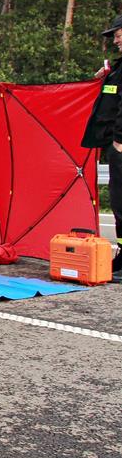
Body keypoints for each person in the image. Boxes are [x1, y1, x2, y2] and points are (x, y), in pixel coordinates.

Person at [86, 15, 122, 273]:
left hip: (120, 143)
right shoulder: (118, 69)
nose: (116, 40)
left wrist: (120, 139)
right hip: (113, 142)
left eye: (119, 34)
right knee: (119, 201)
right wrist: (103, 79)